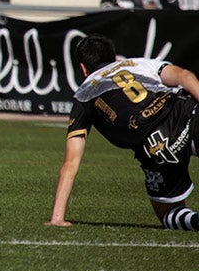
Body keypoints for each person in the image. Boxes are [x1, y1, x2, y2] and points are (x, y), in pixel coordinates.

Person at [48, 34, 199, 231]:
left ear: (84, 69)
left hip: (154, 147)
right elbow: (185, 76)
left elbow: (71, 162)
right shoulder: (138, 63)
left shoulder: (84, 95)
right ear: (115, 58)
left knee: (170, 213)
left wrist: (57, 218)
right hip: (184, 113)